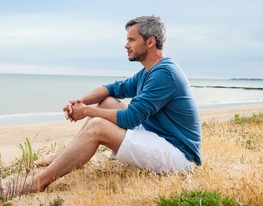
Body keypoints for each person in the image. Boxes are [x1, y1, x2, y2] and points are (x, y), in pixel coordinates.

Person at [23, 15, 201, 194]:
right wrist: (81, 102)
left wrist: (86, 111)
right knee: (107, 102)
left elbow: (131, 118)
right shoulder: (150, 71)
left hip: (178, 155)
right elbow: (114, 89)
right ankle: (63, 157)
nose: (126, 45)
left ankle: (38, 182)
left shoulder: (165, 74)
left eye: (131, 40)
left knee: (97, 126)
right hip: (156, 135)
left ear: (150, 42)